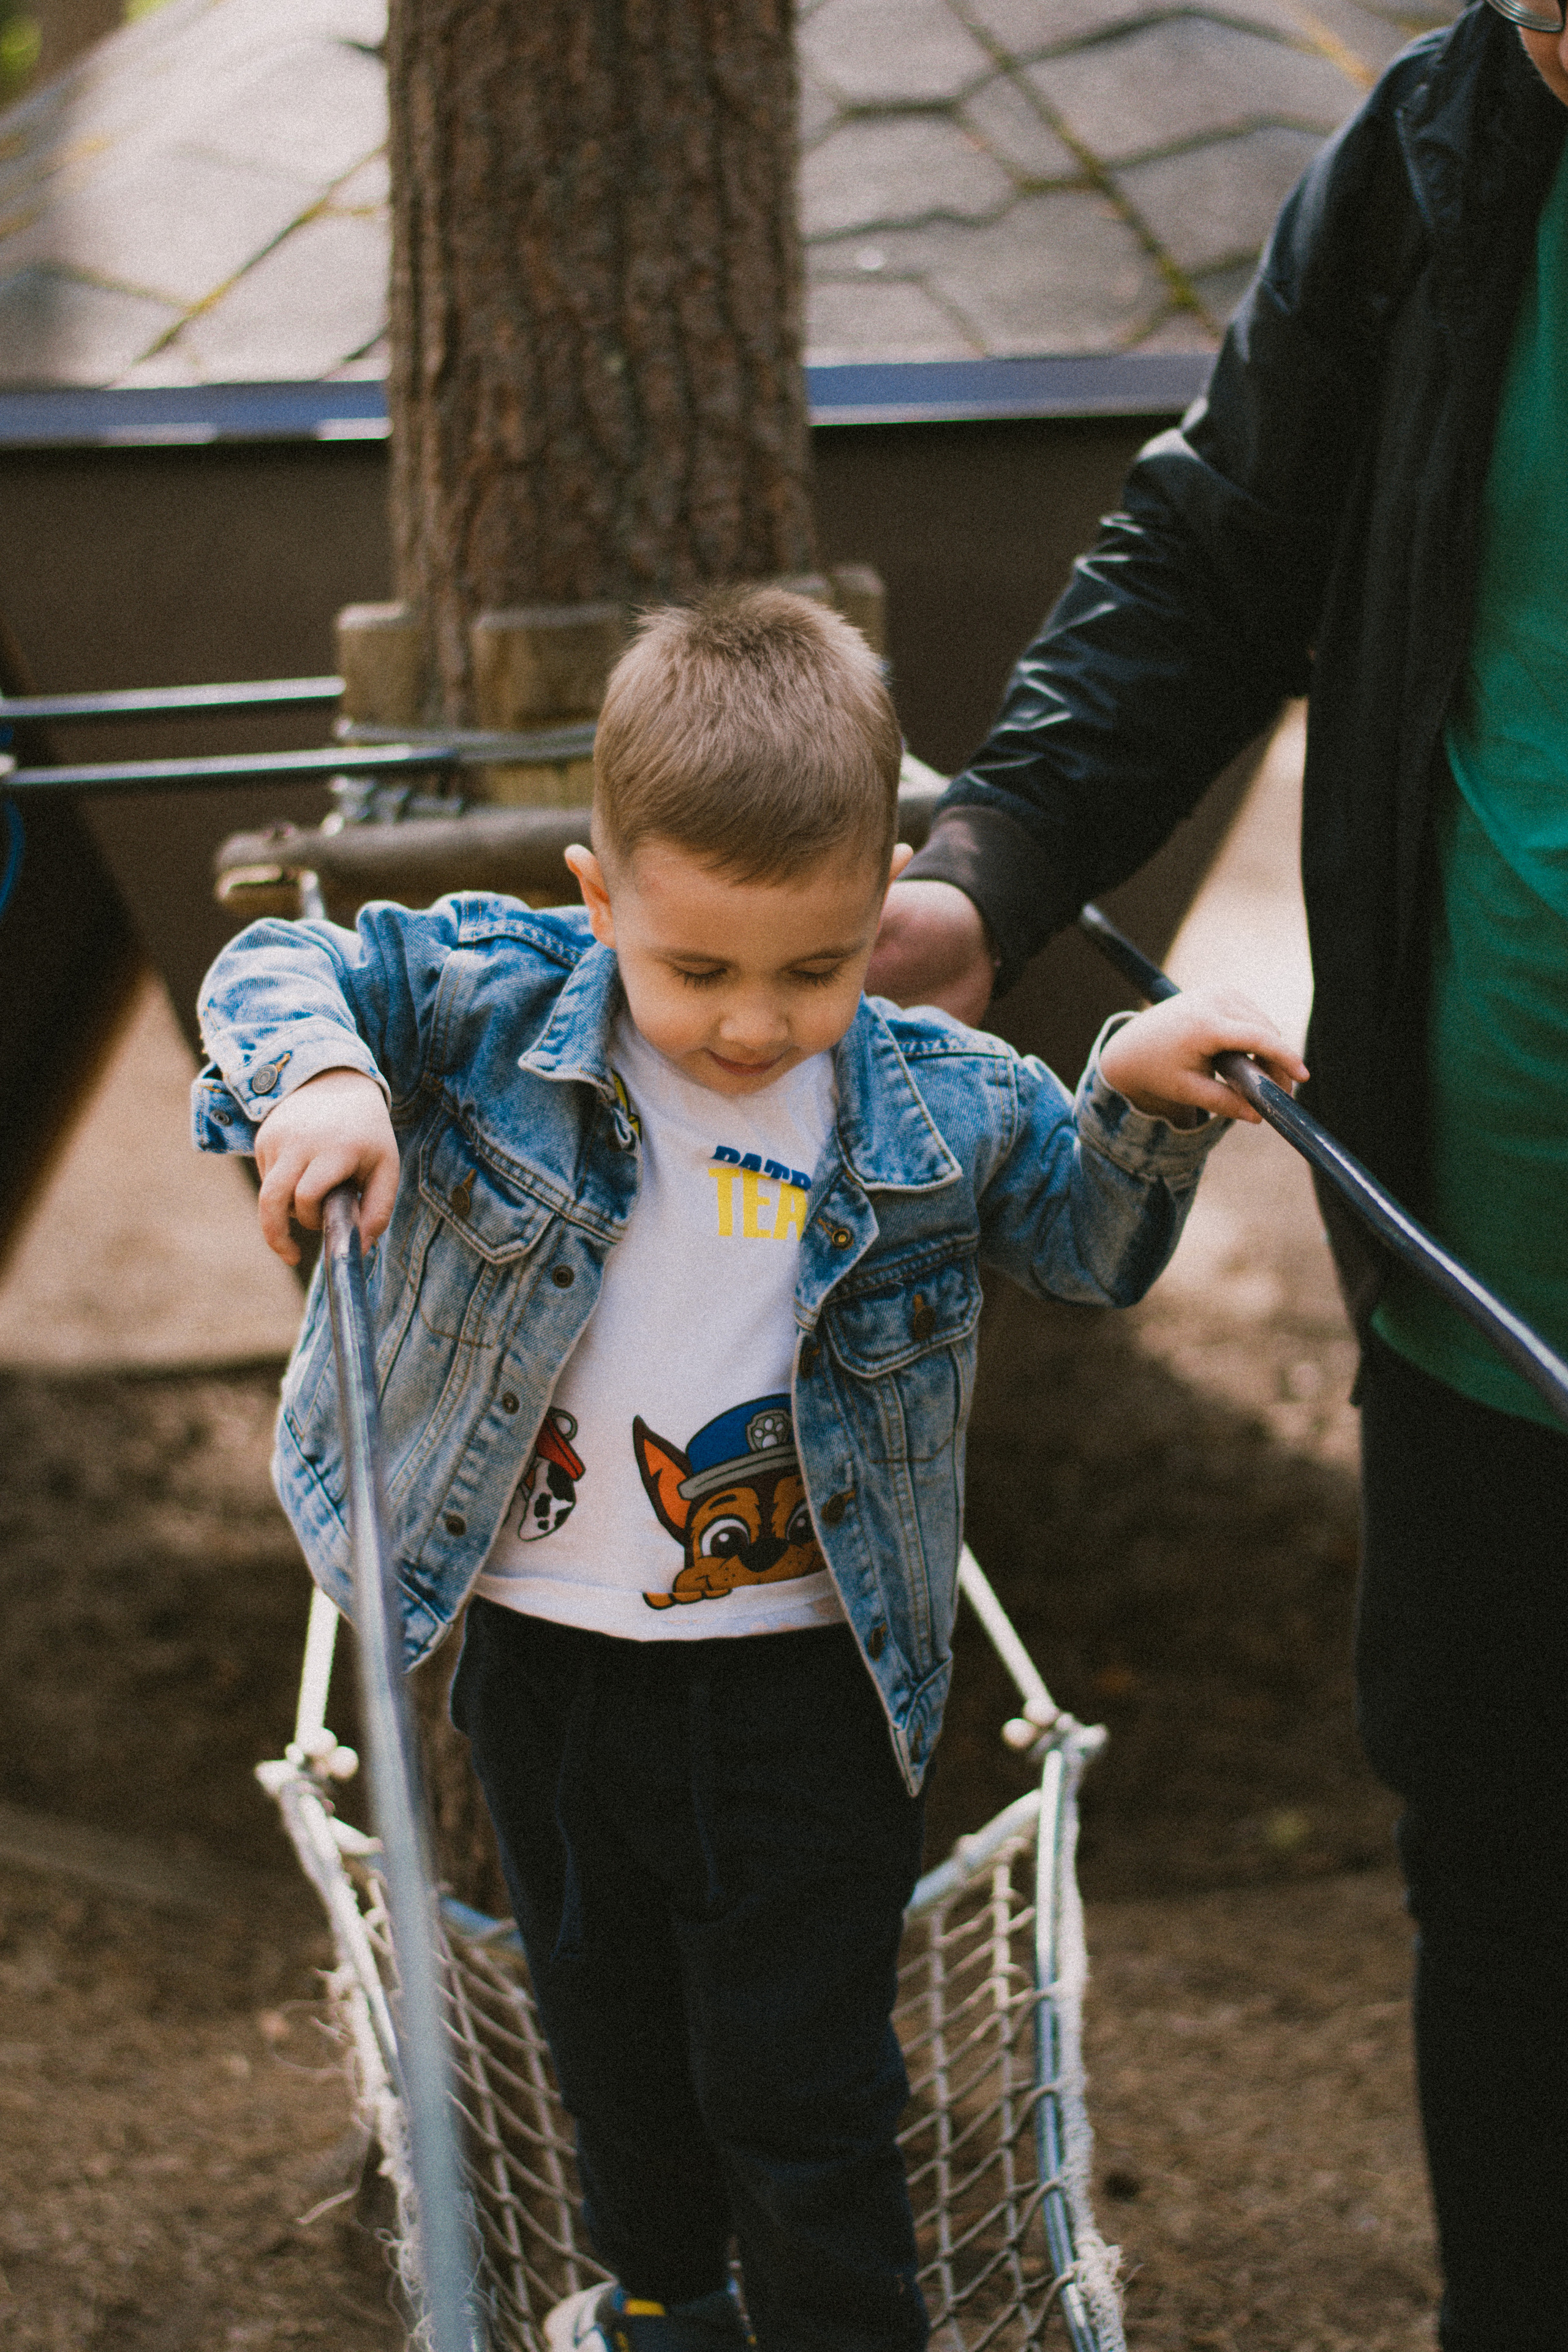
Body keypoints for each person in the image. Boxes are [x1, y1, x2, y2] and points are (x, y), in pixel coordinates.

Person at [193, 590, 1299, 2352]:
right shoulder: (495, 1009)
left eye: (815, 966)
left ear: (879, 918)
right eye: (695, 968)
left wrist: (1140, 1099)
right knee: (607, 2049)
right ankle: (664, 2313)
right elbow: (276, 965)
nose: (751, 1022)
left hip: (807, 1695)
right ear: (600, 899)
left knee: (803, 2092)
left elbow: (1086, 1252)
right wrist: (320, 1077)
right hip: (549, 1681)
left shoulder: (937, 1103)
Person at [869, 5, 1568, 2345]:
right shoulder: (1448, 143)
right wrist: (987, 869)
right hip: (1472, 1246)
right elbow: (1222, 539)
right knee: (1507, 1877)